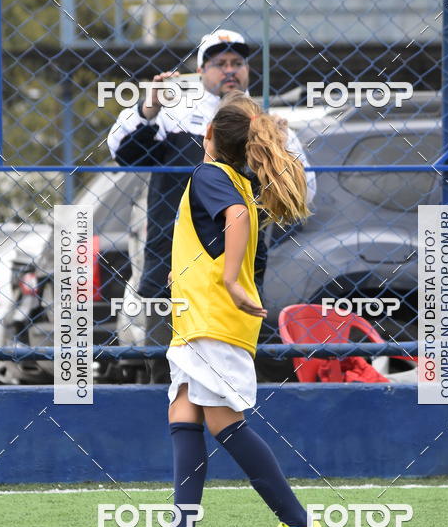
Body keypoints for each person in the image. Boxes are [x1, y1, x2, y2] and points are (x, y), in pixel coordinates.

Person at [129, 91, 325, 527]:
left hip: (213, 322)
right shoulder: (236, 179)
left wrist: (232, 281)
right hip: (199, 321)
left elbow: (234, 220)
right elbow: (213, 236)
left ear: (209, 135)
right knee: (183, 409)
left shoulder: (212, 175)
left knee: (223, 422)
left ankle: (296, 524)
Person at [107, 29, 316, 380]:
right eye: (219, 63)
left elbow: (304, 194)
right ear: (201, 72)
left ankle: (230, 430)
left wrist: (265, 184)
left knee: (236, 373)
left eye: (237, 62)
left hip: (237, 272)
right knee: (168, 372)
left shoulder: (267, 125)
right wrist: (149, 106)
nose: (230, 70)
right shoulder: (172, 117)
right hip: (170, 271)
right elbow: (122, 153)